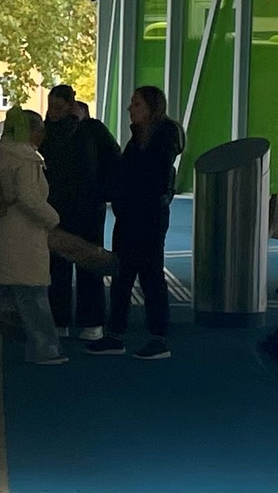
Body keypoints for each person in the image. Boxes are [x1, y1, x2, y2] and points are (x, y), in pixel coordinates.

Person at [0, 107, 67, 366]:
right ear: (31, 132)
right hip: (23, 240)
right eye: (39, 131)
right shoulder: (26, 160)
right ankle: (44, 349)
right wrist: (53, 218)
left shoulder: (1, 153)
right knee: (34, 295)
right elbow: (29, 198)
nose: (42, 136)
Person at [87, 85, 184, 360]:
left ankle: (157, 338)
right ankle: (116, 335)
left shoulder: (159, 140)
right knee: (123, 274)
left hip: (146, 216)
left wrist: (121, 194)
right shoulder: (143, 137)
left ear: (152, 108)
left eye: (137, 104)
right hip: (132, 215)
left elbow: (146, 179)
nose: (130, 108)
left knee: (149, 275)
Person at [40, 85, 120, 341]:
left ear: (71, 105)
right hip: (59, 208)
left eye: (59, 107)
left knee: (89, 262)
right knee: (58, 266)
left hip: (86, 207)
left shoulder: (91, 129)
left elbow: (114, 159)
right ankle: (60, 319)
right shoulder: (47, 131)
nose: (53, 113)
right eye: (51, 107)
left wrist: (102, 191)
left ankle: (91, 321)